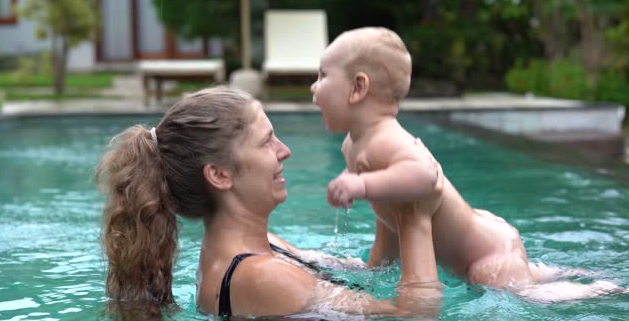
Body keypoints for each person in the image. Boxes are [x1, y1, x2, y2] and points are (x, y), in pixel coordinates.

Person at [310, 27, 625, 302]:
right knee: (526, 276)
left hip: (485, 256)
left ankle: (597, 288)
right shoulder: (353, 144)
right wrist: (375, 269)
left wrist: (361, 185)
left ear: (358, 88)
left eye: (323, 76)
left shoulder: (388, 139)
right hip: (483, 235)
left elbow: (425, 174)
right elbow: (389, 218)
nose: (313, 86)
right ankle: (553, 271)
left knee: (524, 293)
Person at [96, 87, 443, 319]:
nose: (284, 151)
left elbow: (371, 273)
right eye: (266, 142)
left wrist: (387, 200)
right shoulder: (260, 276)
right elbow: (411, 314)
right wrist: (416, 220)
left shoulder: (265, 250)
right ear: (219, 175)